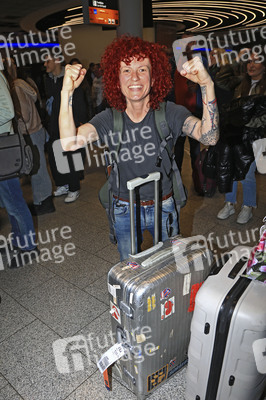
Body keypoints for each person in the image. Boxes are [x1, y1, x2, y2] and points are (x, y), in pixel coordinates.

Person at [58, 35, 219, 261]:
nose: (134, 77)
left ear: (154, 78)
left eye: (142, 69)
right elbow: (69, 143)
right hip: (124, 207)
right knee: (130, 266)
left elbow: (209, 137)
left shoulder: (169, 112)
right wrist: (66, 93)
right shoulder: (108, 118)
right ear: (116, 79)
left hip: (163, 204)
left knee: (168, 264)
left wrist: (206, 85)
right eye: (126, 70)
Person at [217, 52, 266, 224]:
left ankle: (248, 206)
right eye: (249, 61)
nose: (251, 65)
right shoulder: (240, 82)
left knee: (247, 174)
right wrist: (233, 61)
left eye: (256, 61)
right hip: (236, 135)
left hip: (255, 137)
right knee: (230, 169)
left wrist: (248, 122)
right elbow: (220, 80)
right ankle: (229, 203)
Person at [4, 58, 55, 216]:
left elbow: (24, 115)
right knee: (37, 168)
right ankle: (42, 200)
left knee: (38, 170)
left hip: (30, 132)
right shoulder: (21, 84)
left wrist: (14, 122)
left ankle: (44, 202)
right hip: (35, 130)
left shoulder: (16, 87)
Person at [0, 70, 39, 268]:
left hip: (3, 149)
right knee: (9, 201)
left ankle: (29, 247)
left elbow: (7, 111)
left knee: (14, 201)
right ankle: (18, 240)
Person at [44, 55, 88, 203]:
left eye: (47, 60)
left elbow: (79, 101)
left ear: (57, 60)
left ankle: (74, 187)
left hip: (70, 122)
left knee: (70, 155)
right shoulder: (48, 80)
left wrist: (78, 123)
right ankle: (62, 184)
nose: (45, 64)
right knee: (55, 153)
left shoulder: (70, 78)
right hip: (54, 124)